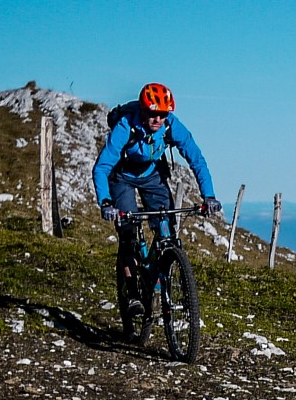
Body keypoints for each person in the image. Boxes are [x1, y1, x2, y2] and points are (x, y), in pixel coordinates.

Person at [92, 83, 221, 319]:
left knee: (167, 228)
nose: (158, 119)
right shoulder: (125, 127)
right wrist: (106, 202)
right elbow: (101, 167)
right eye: (153, 113)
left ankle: (163, 275)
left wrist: (208, 196)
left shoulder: (172, 125)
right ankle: (131, 293)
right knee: (128, 232)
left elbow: (196, 158)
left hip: (153, 176)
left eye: (163, 114)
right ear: (143, 111)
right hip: (122, 178)